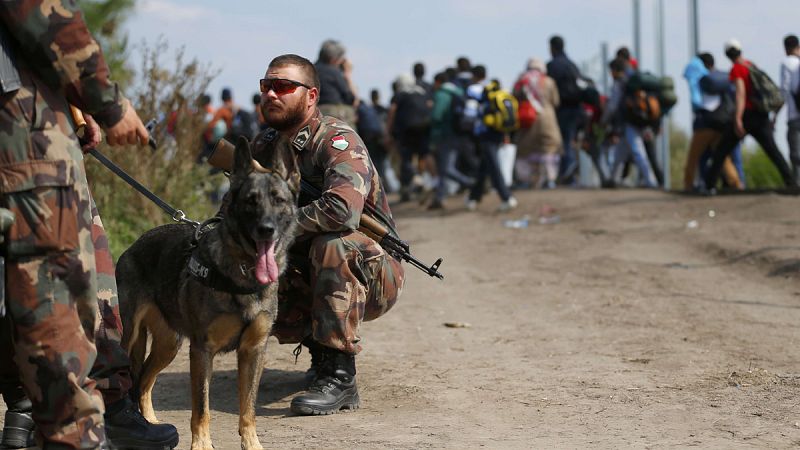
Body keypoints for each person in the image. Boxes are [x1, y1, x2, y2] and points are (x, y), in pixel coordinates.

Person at [0, 2, 179, 448]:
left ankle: (32, 407)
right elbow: (42, 12)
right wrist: (108, 102)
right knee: (54, 294)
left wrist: (76, 107)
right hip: (21, 131)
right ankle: (84, 424)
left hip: (31, 119)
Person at [253, 54, 404, 415]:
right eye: (266, 86)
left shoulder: (337, 141)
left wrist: (276, 230)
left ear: (311, 96)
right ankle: (319, 353)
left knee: (333, 245)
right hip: (303, 260)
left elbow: (341, 210)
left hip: (372, 272)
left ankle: (339, 375)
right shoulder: (264, 146)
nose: (271, 94)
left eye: (283, 87)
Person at [705, 39, 797, 191]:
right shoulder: (750, 65)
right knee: (773, 150)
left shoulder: (737, 69)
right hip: (761, 115)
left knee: (721, 150)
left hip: (747, 115)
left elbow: (740, 94)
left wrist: (737, 119)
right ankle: (791, 182)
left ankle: (709, 186)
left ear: (727, 55)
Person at [682, 53, 744, 191]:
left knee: (693, 157)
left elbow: (697, 102)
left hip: (705, 124)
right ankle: (736, 183)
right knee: (722, 157)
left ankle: (688, 185)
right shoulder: (721, 80)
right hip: (722, 123)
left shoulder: (702, 80)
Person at [464, 66, 518, 211]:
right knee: (484, 166)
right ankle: (473, 198)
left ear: (474, 76)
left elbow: (470, 112)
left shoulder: (473, 89)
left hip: (485, 132)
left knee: (493, 166)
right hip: (498, 130)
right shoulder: (496, 86)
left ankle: (507, 197)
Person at [601, 57, 658, 187]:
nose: (610, 74)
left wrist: (604, 120)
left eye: (611, 71)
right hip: (639, 119)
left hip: (629, 121)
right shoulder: (631, 81)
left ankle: (651, 181)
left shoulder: (619, 83)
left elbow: (613, 106)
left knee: (638, 152)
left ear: (615, 70)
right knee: (620, 153)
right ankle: (614, 179)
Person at [547, 35, 592, 184]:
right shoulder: (572, 65)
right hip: (578, 109)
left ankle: (568, 168)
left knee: (563, 141)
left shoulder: (552, 66)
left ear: (552, 48)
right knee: (570, 140)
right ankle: (569, 174)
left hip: (563, 109)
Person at [513, 58, 563, 189]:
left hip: (527, 118)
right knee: (550, 148)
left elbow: (514, 97)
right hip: (547, 118)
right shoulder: (549, 81)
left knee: (525, 150)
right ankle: (550, 179)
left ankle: (525, 180)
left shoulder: (521, 81)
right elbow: (556, 101)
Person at [429, 71, 475, 209]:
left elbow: (437, 115)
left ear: (438, 82)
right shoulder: (459, 92)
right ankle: (439, 198)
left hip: (445, 135)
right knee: (445, 168)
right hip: (459, 134)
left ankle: (471, 183)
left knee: (446, 168)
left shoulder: (441, 94)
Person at [386, 73, 433, 202]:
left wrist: (388, 131)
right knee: (422, 156)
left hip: (406, 130)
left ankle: (409, 185)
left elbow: (392, 111)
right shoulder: (422, 92)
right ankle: (423, 180)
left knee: (406, 158)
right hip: (424, 129)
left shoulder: (400, 94)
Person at [315, 39, 358, 125]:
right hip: (333, 116)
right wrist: (348, 74)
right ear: (333, 59)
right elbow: (352, 100)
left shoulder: (312, 69)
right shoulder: (334, 72)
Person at [780, 34, 800, 183]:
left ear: (785, 48)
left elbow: (784, 90)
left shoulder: (786, 63)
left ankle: (797, 183)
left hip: (794, 115)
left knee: (795, 152)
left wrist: (775, 114)